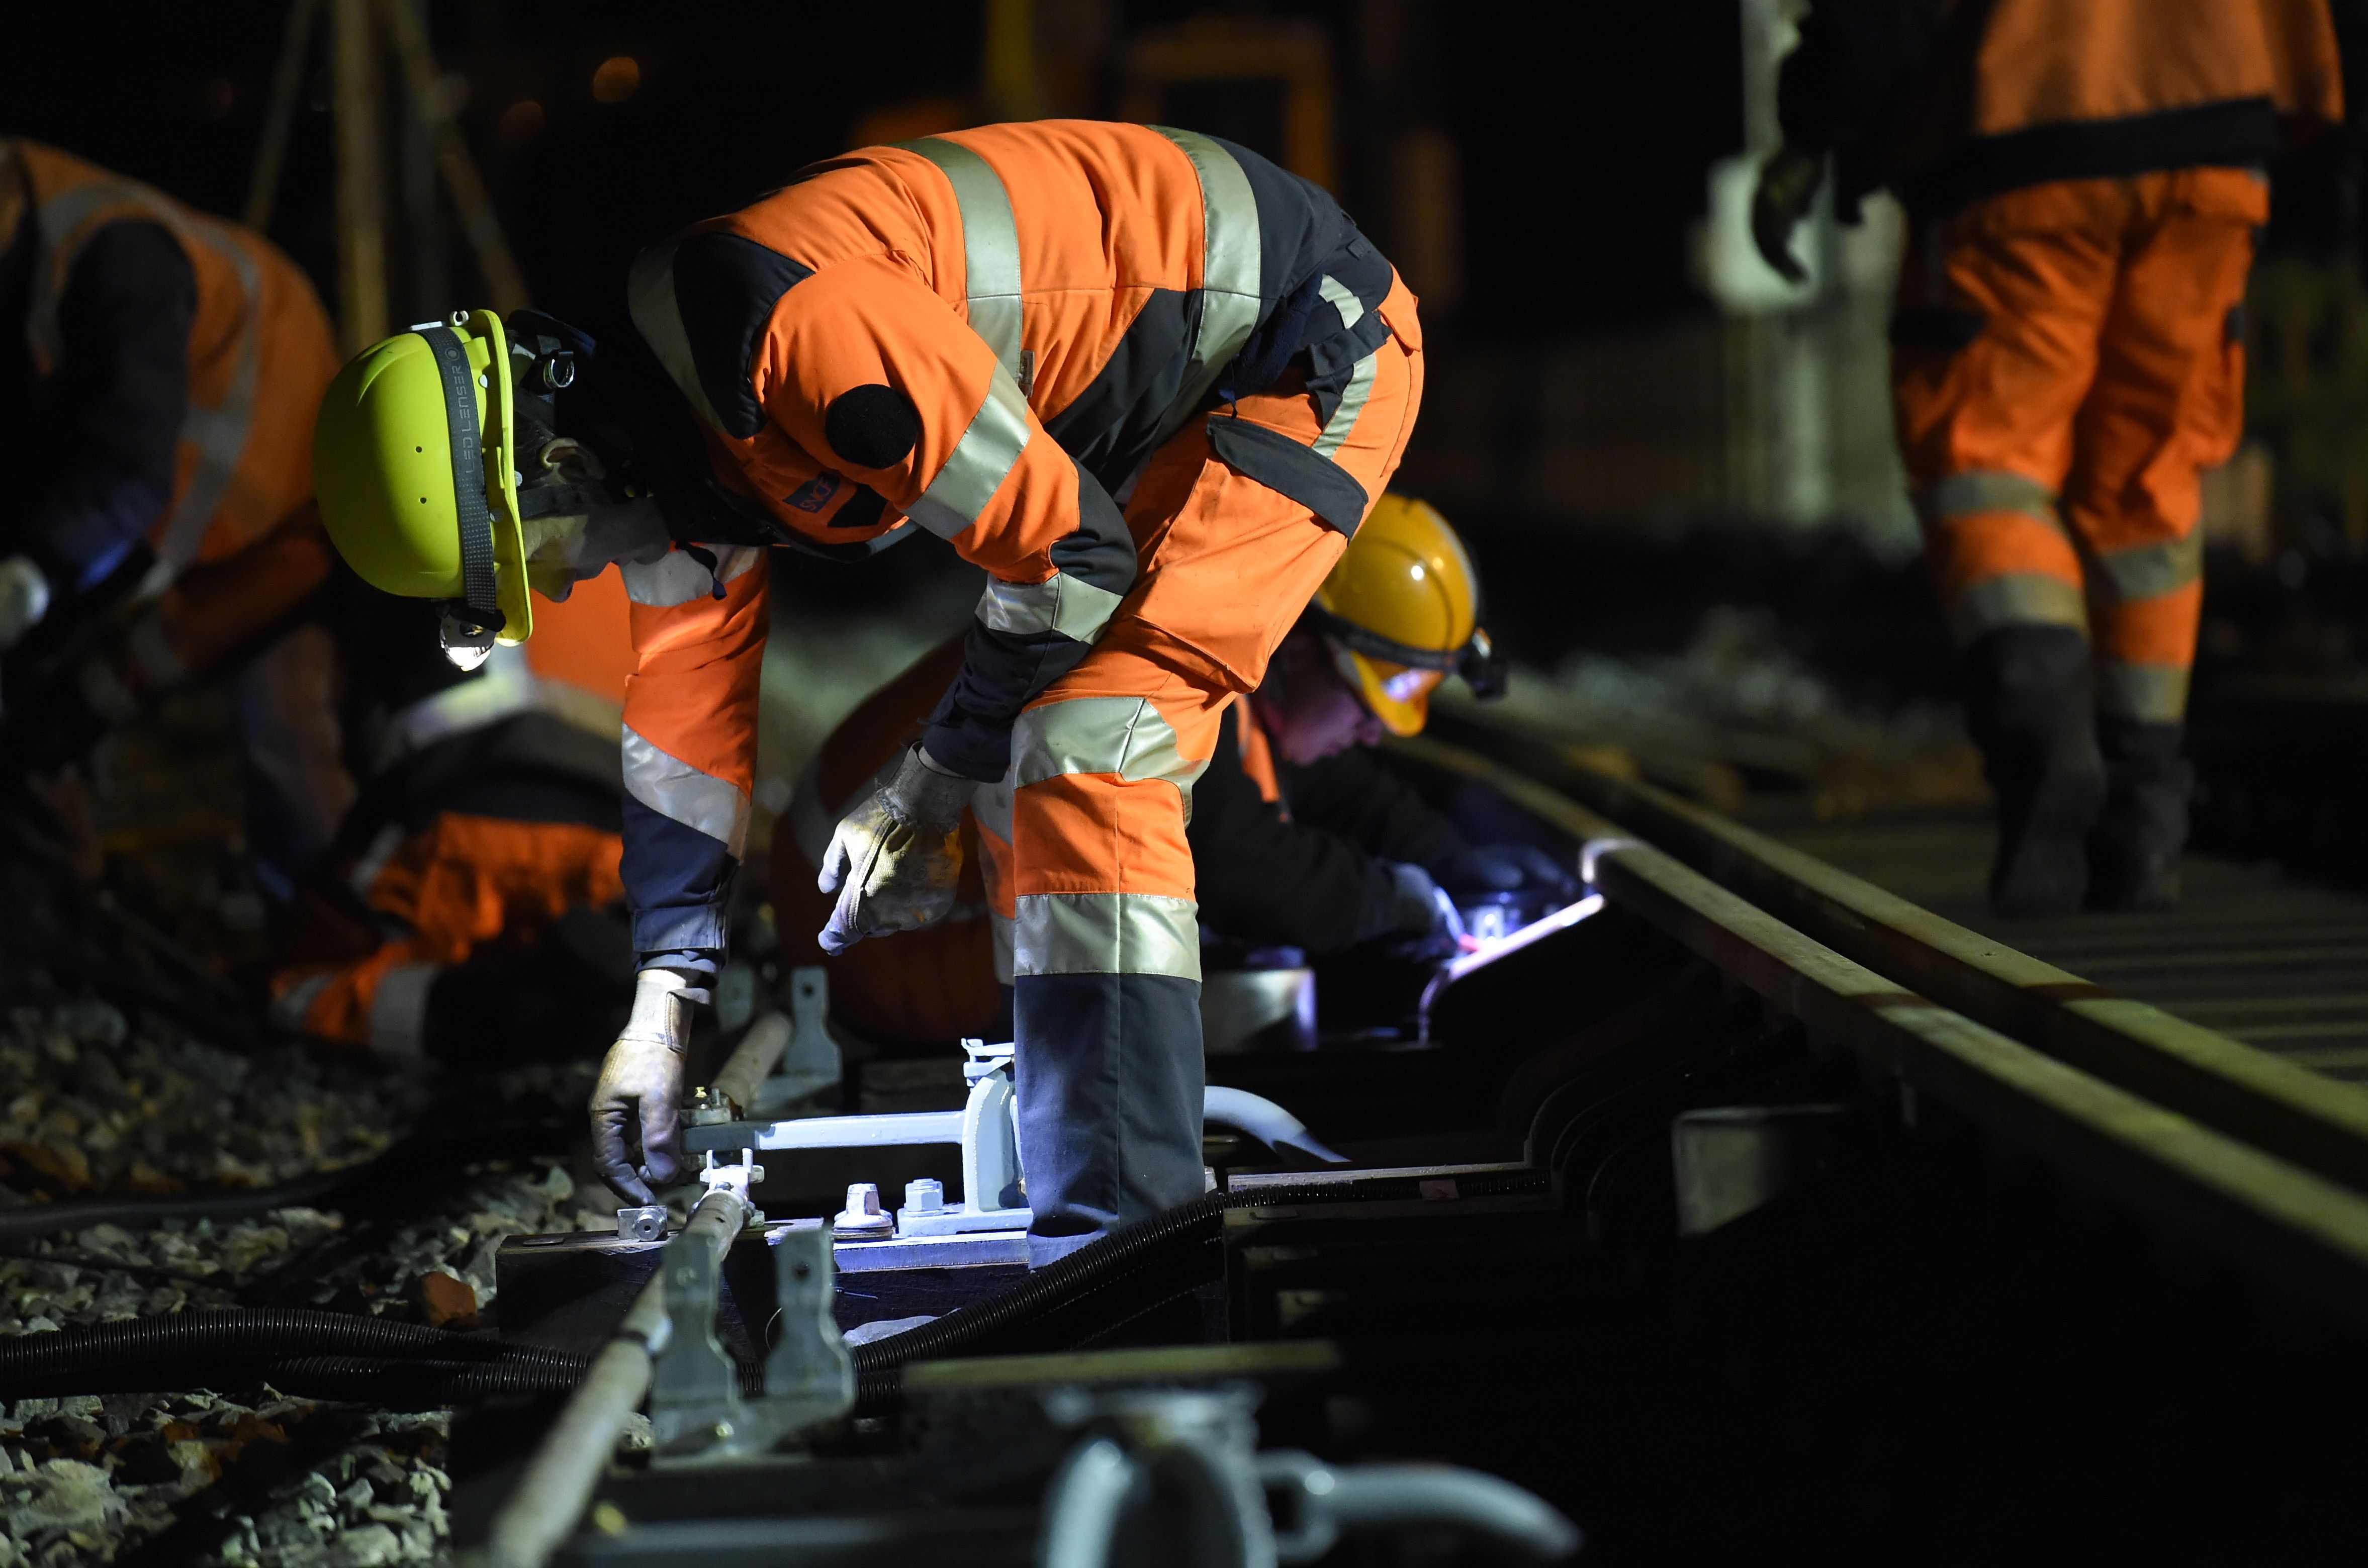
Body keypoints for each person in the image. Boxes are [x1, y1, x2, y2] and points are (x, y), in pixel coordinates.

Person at [312, 121, 1421, 1260]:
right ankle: (1106, 1194)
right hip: (1179, 389)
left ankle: (1123, 1240)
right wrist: (660, 1010)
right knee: (1049, 726)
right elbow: (688, 747)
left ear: (554, 465)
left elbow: (1068, 554)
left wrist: (928, 782)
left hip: (1305, 342)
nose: (579, 575)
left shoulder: (794, 339)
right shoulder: (672, 451)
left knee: (1096, 737)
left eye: (547, 554)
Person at [1751, 0, 2368, 913]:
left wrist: (1817, 129)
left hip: (2018, 129)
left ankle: (2042, 723)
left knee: (1984, 458)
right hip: (2215, 140)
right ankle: (2145, 809)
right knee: (2151, 483)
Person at [772, 494, 1558, 1043]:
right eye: (1367, 697)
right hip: (884, 949)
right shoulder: (1165, 667)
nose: (1373, 732)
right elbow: (1242, 864)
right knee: (1188, 946)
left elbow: (1336, 789)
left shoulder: (1224, 660)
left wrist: (1454, 863)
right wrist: (1407, 905)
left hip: (884, 922)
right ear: (1304, 644)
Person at [0, 139, 354, 893]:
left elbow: (127, 479)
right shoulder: (32, 254)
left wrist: (25, 584)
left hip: (283, 501)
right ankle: (53, 919)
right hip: (175, 525)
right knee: (43, 711)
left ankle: (340, 958)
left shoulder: (119, 259)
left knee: (283, 742)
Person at [265, 580, 634, 1069]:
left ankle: (494, 1013)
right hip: (630, 854)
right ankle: (571, 1003)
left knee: (299, 990)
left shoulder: (436, 511)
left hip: (465, 825)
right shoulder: (677, 530)